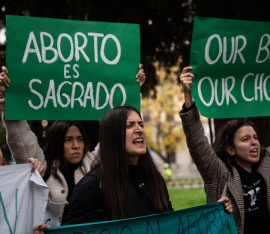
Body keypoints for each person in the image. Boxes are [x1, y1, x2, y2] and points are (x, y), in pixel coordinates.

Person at [32, 105, 232, 233]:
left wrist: (216, 212)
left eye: (141, 124)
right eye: (129, 125)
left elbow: (172, 226)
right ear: (112, 137)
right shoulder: (91, 187)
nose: (139, 129)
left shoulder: (155, 181)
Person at [0, 64, 146, 224]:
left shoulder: (95, 163)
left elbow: (116, 130)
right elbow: (20, 138)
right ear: (56, 143)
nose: (76, 145)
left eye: (80, 139)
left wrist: (131, 89)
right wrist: (7, 99)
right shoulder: (41, 169)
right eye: (68, 140)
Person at [179, 66, 270, 234]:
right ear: (230, 149)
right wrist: (187, 94)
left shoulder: (267, 162)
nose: (254, 143)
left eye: (255, 137)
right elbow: (196, 140)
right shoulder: (219, 175)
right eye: (245, 139)